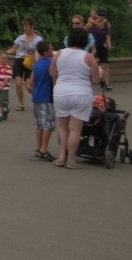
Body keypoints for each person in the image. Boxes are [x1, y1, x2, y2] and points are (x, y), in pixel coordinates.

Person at [50, 28, 100, 168]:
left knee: (63, 128)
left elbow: (52, 72)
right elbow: (95, 79)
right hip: (80, 93)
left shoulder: (59, 53)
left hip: (61, 92)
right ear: (85, 41)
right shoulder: (88, 57)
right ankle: (71, 160)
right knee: (75, 129)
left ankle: (61, 157)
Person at [27, 40, 56, 160]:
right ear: (45, 52)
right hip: (46, 97)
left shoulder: (37, 64)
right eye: (51, 48)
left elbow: (30, 82)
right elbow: (55, 80)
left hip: (36, 97)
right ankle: (44, 149)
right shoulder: (51, 64)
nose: (52, 50)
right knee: (47, 124)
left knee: (39, 124)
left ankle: (39, 148)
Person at [6, 17, 41, 112]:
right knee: (18, 84)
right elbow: (13, 49)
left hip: (30, 62)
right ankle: (21, 104)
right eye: (24, 26)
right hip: (19, 60)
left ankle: (37, 101)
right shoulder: (21, 38)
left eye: (27, 26)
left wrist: (37, 63)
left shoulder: (38, 39)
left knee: (29, 85)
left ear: (32, 26)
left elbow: (39, 52)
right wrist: (4, 53)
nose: (25, 28)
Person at [85, 10, 112, 90]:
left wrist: (109, 45)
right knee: (88, 63)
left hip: (102, 46)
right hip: (92, 46)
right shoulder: (90, 24)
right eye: (99, 15)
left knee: (105, 64)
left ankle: (107, 83)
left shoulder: (107, 25)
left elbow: (108, 36)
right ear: (96, 15)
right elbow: (82, 33)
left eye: (102, 15)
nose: (101, 17)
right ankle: (86, 81)